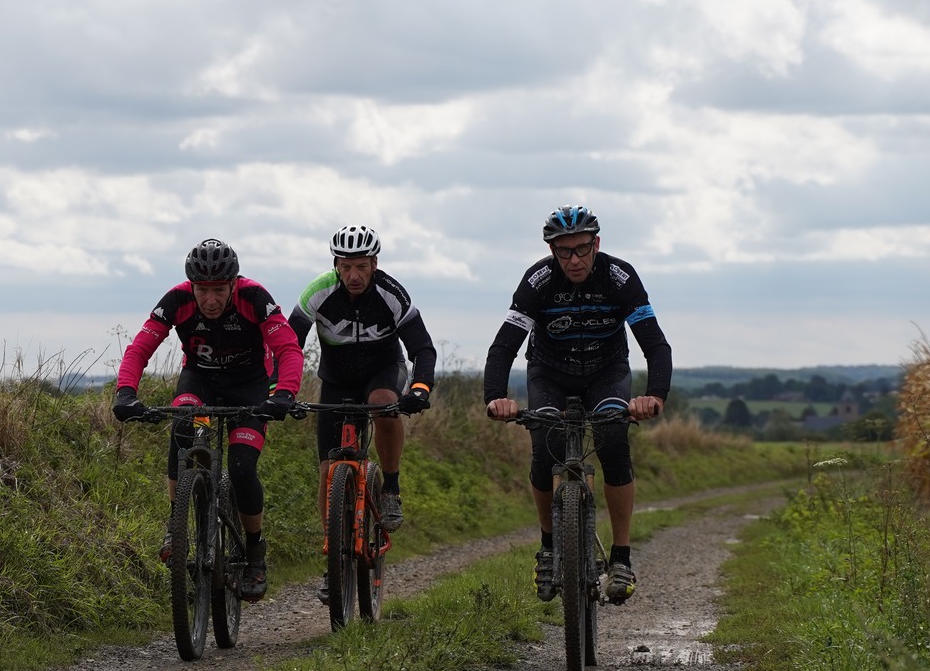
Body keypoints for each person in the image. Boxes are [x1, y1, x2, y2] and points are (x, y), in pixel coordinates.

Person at [483, 205, 671, 604]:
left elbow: (655, 344)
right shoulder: (537, 281)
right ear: (552, 251)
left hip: (607, 371)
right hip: (550, 373)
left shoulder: (620, 277)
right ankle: (549, 547)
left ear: (596, 244)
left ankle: (621, 557)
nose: (574, 260)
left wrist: (654, 395)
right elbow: (504, 346)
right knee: (543, 445)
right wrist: (495, 396)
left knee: (612, 439)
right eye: (563, 251)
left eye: (582, 249)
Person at [111, 238, 304, 599]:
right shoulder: (177, 301)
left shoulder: (255, 298)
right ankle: (177, 522)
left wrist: (284, 394)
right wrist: (126, 392)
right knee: (183, 422)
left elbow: (288, 349)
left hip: (249, 385)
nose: (210, 300)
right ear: (192, 287)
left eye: (218, 290)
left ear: (233, 284)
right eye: (203, 291)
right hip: (200, 379)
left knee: (243, 467)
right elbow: (139, 348)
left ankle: (255, 552)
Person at [287, 223, 437, 532]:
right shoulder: (318, 292)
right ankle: (333, 551)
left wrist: (420, 389)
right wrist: (281, 390)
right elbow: (289, 345)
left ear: (374, 265)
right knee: (328, 471)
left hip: (383, 372)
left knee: (383, 404)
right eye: (346, 267)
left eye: (361, 267)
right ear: (336, 266)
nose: (354, 275)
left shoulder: (391, 293)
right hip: (336, 380)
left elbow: (422, 348)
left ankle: (391, 489)